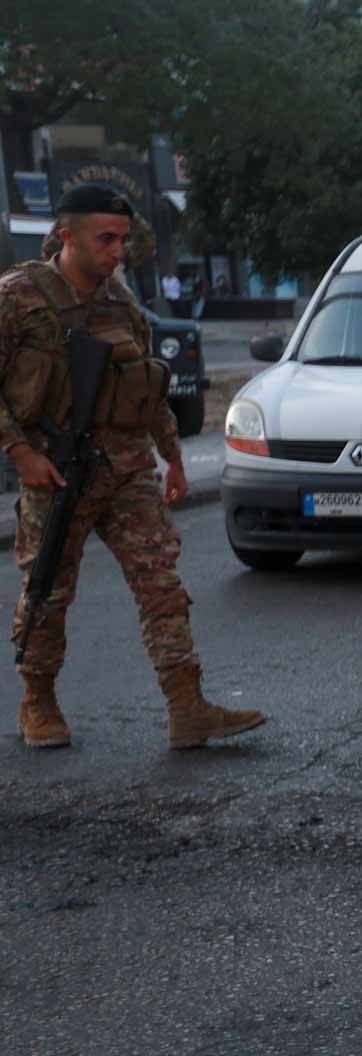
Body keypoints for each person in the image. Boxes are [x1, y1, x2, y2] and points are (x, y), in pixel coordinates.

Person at [0, 184, 265, 750]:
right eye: (106, 239)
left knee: (162, 588)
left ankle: (187, 707)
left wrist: (170, 454)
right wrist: (21, 454)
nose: (117, 250)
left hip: (126, 469)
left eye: (122, 239)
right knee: (48, 590)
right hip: (57, 471)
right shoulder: (19, 297)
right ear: (66, 236)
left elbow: (146, 385)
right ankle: (37, 700)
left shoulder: (121, 301)